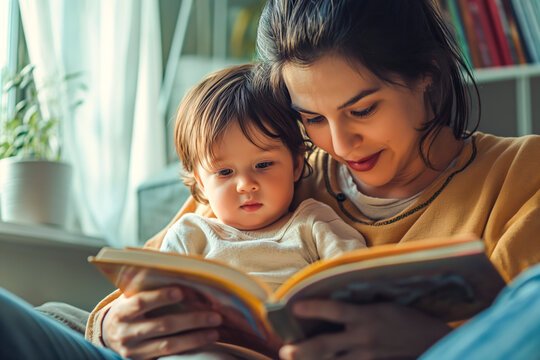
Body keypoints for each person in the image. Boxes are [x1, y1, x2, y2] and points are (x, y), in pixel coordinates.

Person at [87, 0, 539, 359]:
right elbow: (140, 279)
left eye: (362, 110)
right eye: (313, 119)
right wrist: (112, 326)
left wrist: (434, 343)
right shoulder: (276, 170)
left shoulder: (521, 174)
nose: (340, 143)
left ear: (428, 75)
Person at [160, 63, 365, 294]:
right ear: (201, 183)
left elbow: (359, 285)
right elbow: (151, 300)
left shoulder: (314, 224)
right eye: (225, 172)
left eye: (263, 164)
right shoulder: (190, 235)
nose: (246, 184)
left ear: (296, 164)